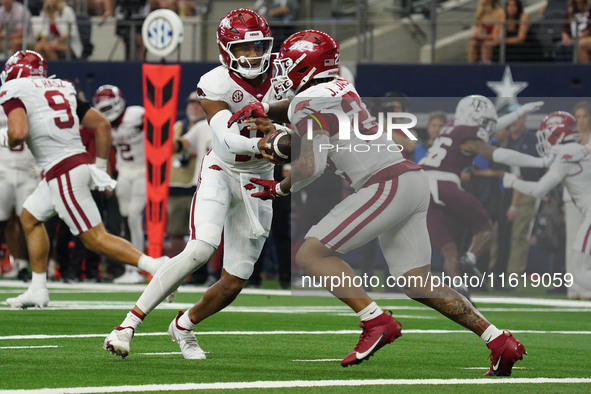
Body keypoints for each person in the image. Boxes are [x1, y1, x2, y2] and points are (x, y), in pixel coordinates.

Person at [235, 29, 527, 375]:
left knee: (311, 254)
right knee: (417, 282)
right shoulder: (343, 86)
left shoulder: (307, 102)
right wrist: (268, 109)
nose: (282, 70)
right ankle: (498, 340)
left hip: (385, 184)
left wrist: (280, 188)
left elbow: (310, 166)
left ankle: (375, 321)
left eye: (287, 63)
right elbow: (305, 111)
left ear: (303, 65)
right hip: (412, 180)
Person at [102, 9, 282, 360]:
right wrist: (265, 143)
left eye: (258, 46)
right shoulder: (215, 82)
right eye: (243, 48)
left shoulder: (284, 75)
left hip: (260, 181)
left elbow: (302, 123)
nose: (253, 55)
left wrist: (283, 136)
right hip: (223, 170)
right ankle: (127, 325)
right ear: (226, 49)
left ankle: (184, 325)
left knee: (234, 283)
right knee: (201, 248)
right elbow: (226, 139)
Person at [0, 50, 167, 309]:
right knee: (30, 217)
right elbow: (101, 125)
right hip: (71, 165)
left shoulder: (13, 88)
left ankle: (157, 267)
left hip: (62, 170)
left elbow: (18, 133)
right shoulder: (63, 86)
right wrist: (99, 167)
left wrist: (5, 138)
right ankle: (37, 288)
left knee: (95, 238)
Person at [418, 96, 551, 299]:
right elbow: (497, 155)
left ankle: (459, 291)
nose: (488, 125)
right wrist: (539, 162)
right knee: (486, 229)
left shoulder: (452, 126)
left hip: (421, 188)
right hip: (444, 184)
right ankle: (470, 259)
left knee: (448, 250)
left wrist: (518, 113)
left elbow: (493, 126)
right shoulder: (468, 134)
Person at [504, 112, 591, 294]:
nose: (545, 141)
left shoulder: (567, 154)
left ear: (557, 134)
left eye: (546, 135)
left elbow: (539, 190)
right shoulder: (581, 149)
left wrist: (514, 182)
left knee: (579, 271)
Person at [93, 84, 147, 284]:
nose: (106, 113)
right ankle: (129, 268)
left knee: (133, 217)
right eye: (103, 109)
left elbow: (159, 129)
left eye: (108, 108)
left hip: (144, 171)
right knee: (124, 217)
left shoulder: (136, 115)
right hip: (124, 173)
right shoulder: (105, 125)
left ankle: (138, 267)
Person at [504, 103, 545, 281]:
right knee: (498, 233)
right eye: (510, 117)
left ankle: (514, 275)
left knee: (520, 234)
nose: (513, 121)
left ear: (524, 119)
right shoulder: (504, 139)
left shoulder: (533, 139)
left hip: (527, 191)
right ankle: (493, 273)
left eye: (517, 117)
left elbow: (546, 166)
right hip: (503, 191)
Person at [0, 108, 38, 282]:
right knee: (3, 219)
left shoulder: (34, 107)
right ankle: (10, 262)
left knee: (27, 220)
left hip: (28, 171)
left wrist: (42, 164)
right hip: (3, 169)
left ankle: (22, 265)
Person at [566, 101, 591, 298]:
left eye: (584, 116)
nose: (581, 121)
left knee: (586, 243)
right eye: (578, 117)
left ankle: (585, 285)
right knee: (572, 240)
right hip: (571, 196)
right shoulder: (568, 141)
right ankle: (573, 287)